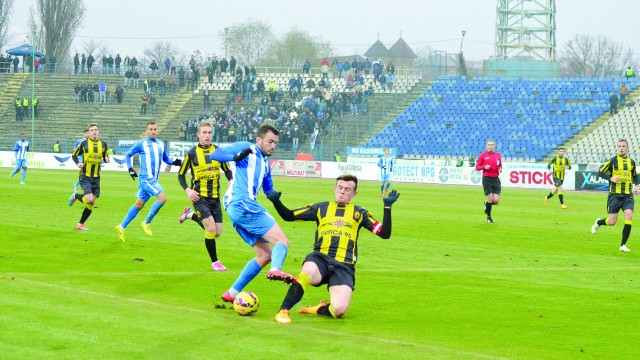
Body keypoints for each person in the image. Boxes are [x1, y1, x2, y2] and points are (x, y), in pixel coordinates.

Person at [270, 175, 400, 324]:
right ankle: (283, 311)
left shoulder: (360, 213)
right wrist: (276, 201)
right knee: (306, 273)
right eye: (340, 188)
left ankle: (318, 309)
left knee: (339, 311)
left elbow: (384, 234)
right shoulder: (320, 208)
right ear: (335, 188)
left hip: (344, 265)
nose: (342, 192)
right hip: (320, 258)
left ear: (354, 193)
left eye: (347, 189)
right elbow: (289, 216)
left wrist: (387, 207)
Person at [209, 124, 295, 303]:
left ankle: (232, 293)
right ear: (259, 140)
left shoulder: (265, 162)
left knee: (265, 255)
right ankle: (276, 270)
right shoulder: (246, 147)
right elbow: (215, 154)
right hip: (242, 203)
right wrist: (235, 157)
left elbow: (268, 187)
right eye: (270, 141)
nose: (273, 146)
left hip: (236, 208)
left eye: (276, 143)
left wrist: (273, 196)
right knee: (282, 241)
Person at [177, 121, 233, 271]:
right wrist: (188, 190)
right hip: (199, 197)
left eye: (209, 132)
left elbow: (227, 170)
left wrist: (231, 180)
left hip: (215, 197)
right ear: (198, 134)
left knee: (217, 232)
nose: (207, 135)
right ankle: (215, 262)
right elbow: (181, 175)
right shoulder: (191, 153)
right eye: (204, 132)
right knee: (210, 227)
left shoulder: (218, 151)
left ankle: (190, 215)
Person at [115, 122, 182, 242]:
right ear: (146, 130)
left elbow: (165, 158)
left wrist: (174, 162)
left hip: (153, 179)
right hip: (146, 178)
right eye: (151, 129)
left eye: (155, 129)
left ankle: (121, 227)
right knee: (162, 198)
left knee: (139, 204)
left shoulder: (161, 144)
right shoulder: (142, 144)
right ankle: (146, 222)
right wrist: (130, 169)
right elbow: (128, 155)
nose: (153, 131)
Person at [591, 139, 640, 252]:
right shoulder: (613, 160)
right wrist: (611, 178)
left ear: (628, 148)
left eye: (623, 146)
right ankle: (599, 222)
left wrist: (637, 186)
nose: (621, 148)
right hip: (615, 195)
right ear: (618, 148)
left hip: (628, 195)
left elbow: (635, 176)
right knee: (612, 222)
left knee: (629, 215)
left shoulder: (631, 162)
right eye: (619, 146)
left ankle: (623, 245)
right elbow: (600, 171)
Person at [69, 123, 110, 231]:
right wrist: (78, 163)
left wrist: (107, 159)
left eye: (96, 130)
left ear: (98, 131)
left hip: (96, 177)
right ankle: (76, 196)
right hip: (85, 175)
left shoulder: (104, 144)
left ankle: (80, 224)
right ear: (89, 132)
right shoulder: (84, 144)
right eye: (92, 130)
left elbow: (105, 157)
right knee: (89, 199)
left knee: (91, 203)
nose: (94, 132)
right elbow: (74, 155)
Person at [475, 139, 502, 223]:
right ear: (487, 146)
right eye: (489, 145)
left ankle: (486, 204)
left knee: (496, 200)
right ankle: (489, 218)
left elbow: (500, 164)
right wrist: (484, 167)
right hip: (487, 179)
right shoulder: (483, 155)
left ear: (495, 146)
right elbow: (477, 167)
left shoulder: (498, 155)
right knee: (490, 199)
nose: (491, 146)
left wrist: (500, 168)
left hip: (496, 179)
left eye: (492, 145)